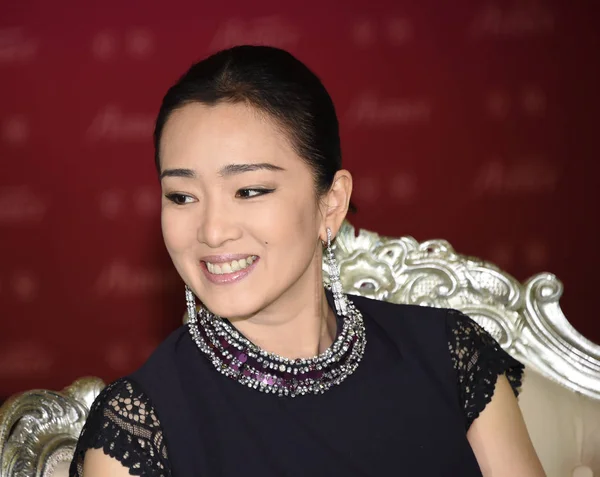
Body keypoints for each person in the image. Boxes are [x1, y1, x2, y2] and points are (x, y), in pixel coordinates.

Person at [69, 45, 545, 477]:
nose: (212, 231)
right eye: (181, 196)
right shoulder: (141, 430)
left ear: (331, 204)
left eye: (250, 190)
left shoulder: (448, 353)